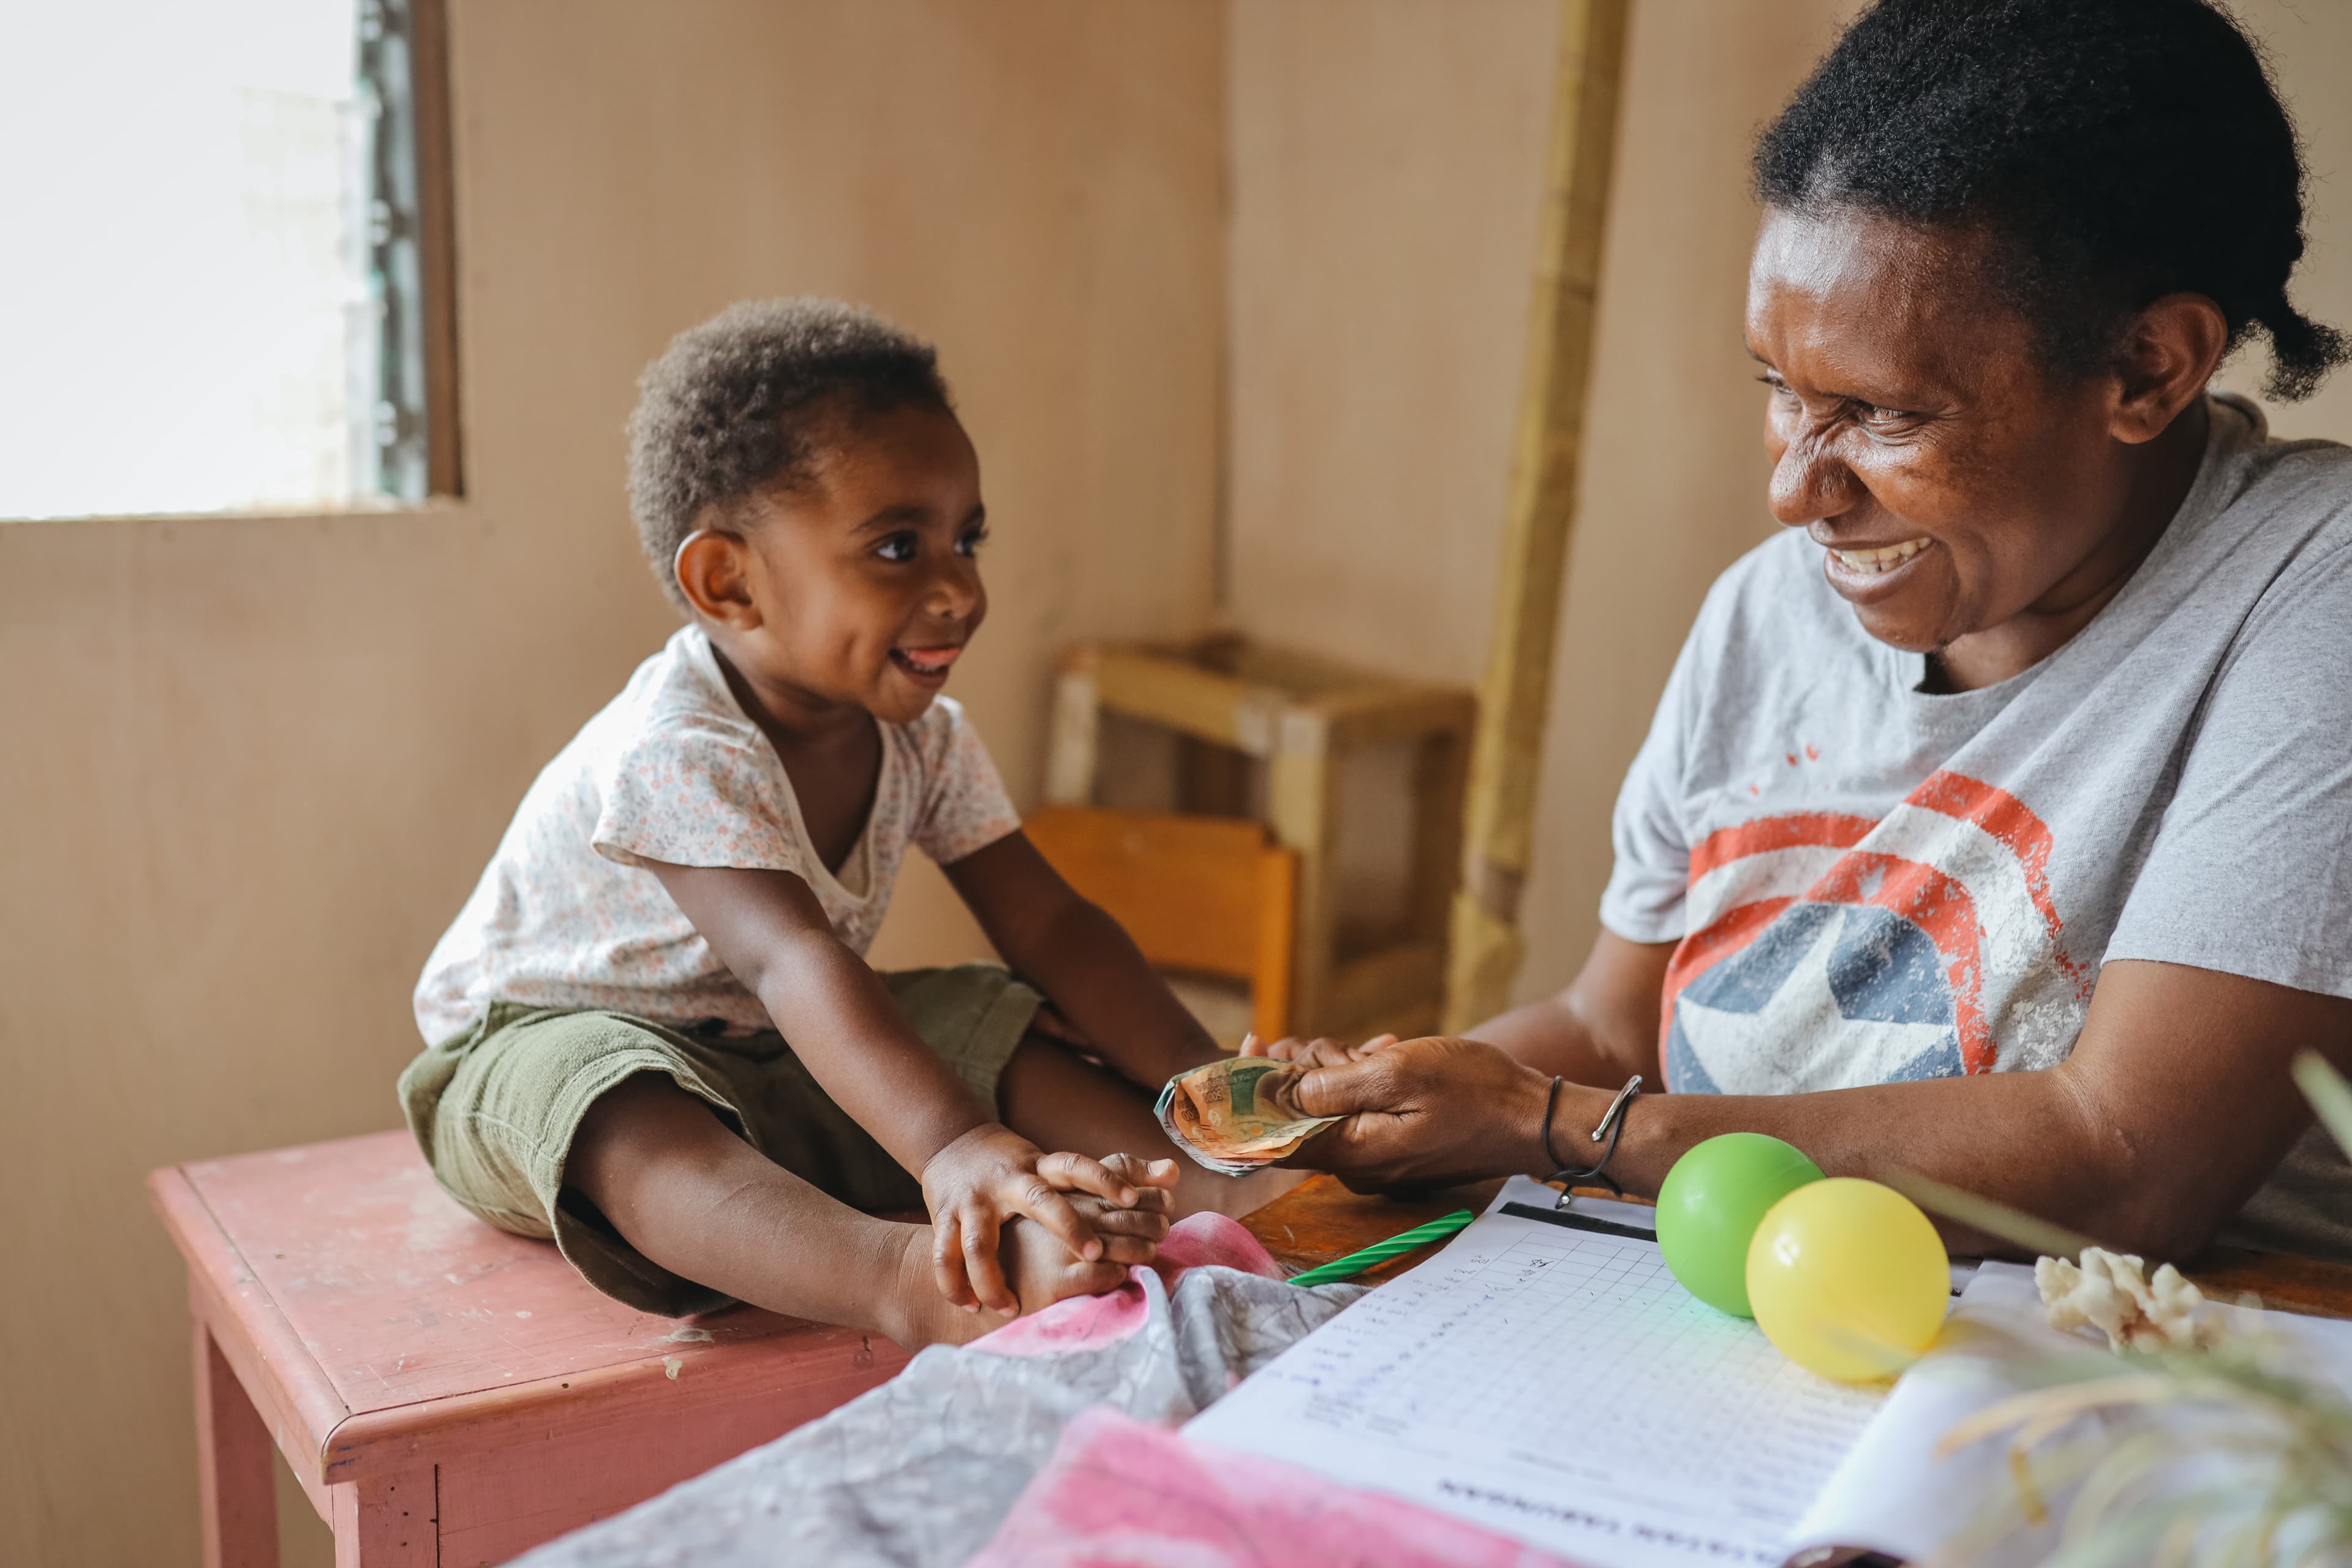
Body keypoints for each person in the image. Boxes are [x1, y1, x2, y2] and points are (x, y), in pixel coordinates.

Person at [1256, 0, 2352, 1264]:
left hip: (2118, 1386)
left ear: (2151, 370)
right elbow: (1614, 1027)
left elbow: (2122, 1161)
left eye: (1882, 412)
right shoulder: (1768, 613)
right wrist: (1392, 1105)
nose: (1795, 491)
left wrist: (1554, 1124)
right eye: (1780, 389)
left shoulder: (2306, 590)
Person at [401, 299, 1286, 1345]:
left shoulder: (925, 737)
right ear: (728, 582)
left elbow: (1051, 928)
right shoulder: (680, 748)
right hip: (537, 1053)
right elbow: (790, 957)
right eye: (899, 547)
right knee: (618, 1103)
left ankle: (1214, 1182)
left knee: (986, 1008)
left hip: (765, 1053)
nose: (959, 587)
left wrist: (1207, 1087)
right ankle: (914, 1279)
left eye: (967, 538)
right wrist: (954, 1143)